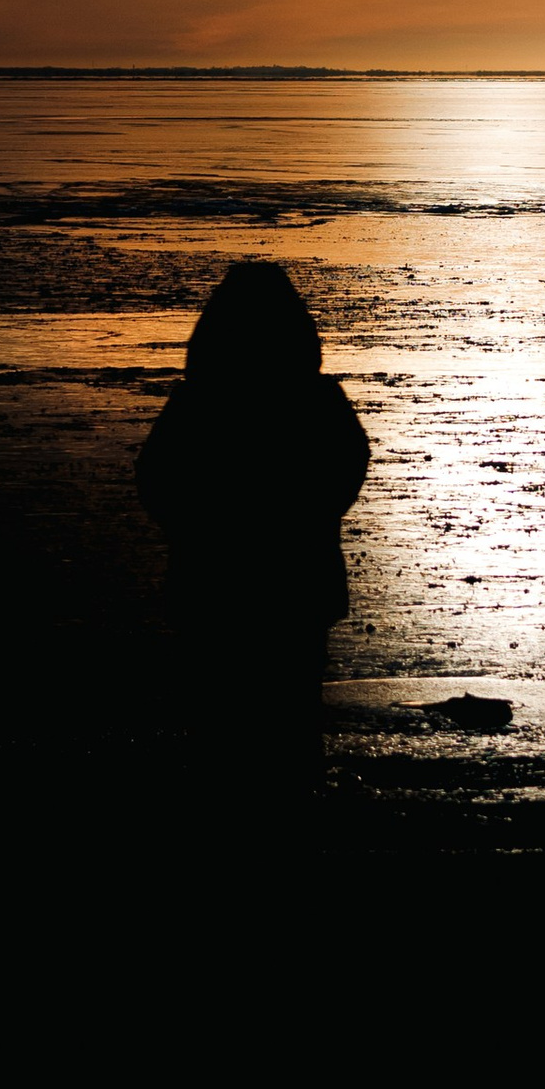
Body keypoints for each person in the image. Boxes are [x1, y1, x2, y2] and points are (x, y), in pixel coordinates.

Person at [137, 262, 370, 757]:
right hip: (298, 580)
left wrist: (196, 531)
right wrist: (309, 520)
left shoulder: (197, 401)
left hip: (211, 582)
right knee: (291, 722)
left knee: (217, 724)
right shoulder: (318, 399)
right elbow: (348, 467)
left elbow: (156, 478)